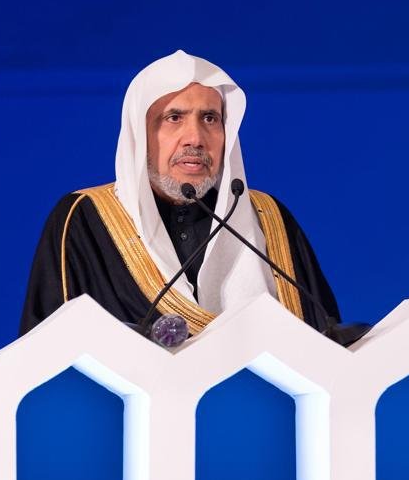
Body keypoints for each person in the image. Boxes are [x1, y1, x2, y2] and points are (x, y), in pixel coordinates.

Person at [19, 49, 341, 338]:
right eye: (174, 118)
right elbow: (48, 354)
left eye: (210, 118)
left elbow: (324, 340)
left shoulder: (269, 219)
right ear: (140, 134)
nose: (195, 138)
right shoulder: (84, 220)